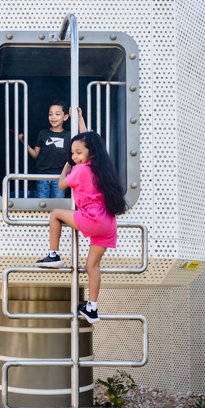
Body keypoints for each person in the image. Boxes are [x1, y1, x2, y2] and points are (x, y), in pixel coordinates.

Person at [35, 131, 127, 323]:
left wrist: (67, 165)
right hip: (108, 222)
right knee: (92, 266)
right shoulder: (101, 169)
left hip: (91, 217)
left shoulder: (81, 169)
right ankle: (92, 307)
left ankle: (53, 254)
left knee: (55, 214)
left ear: (90, 153)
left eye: (78, 153)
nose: (75, 156)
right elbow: (90, 137)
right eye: (72, 153)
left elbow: (61, 185)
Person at [19, 101, 86, 198]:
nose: (53, 117)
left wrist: (79, 118)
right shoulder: (43, 133)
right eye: (50, 114)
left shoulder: (69, 135)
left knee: (58, 203)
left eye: (57, 114)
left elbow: (85, 136)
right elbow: (35, 154)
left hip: (60, 177)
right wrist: (23, 142)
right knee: (41, 204)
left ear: (66, 117)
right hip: (42, 175)